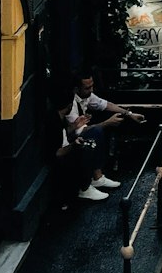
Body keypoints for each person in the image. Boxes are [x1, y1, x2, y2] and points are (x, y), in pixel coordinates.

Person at [58, 73, 148, 203]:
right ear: (77, 89)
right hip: (69, 143)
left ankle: (97, 178)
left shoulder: (86, 95)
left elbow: (105, 104)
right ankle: (85, 187)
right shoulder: (71, 105)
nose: (91, 90)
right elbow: (78, 132)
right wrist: (107, 123)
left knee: (100, 128)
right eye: (87, 88)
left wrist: (129, 114)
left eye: (92, 86)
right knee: (96, 131)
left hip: (75, 135)